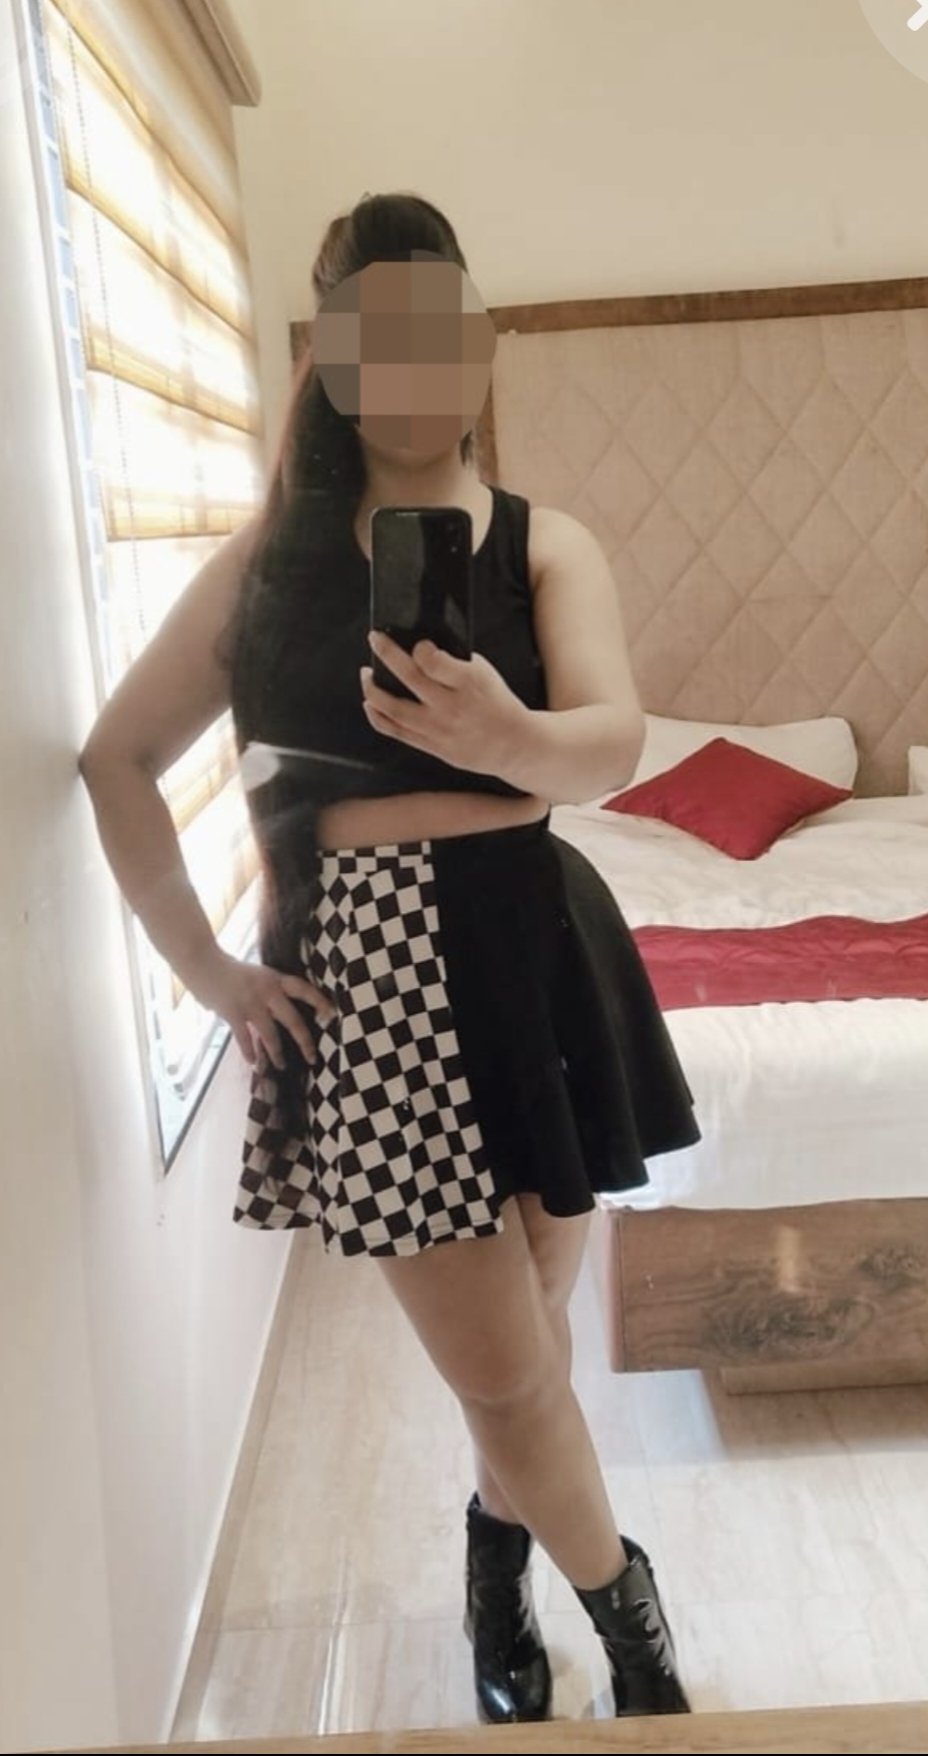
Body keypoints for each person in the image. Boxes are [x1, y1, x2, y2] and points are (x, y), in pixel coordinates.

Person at [79, 191, 700, 1725]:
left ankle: (494, 1573)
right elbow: (117, 758)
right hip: (372, 979)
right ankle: (639, 1644)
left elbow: (614, 738)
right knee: (507, 1371)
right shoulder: (269, 567)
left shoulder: (545, 543)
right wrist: (207, 973)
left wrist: (511, 737)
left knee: (529, 1346)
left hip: (536, 944)